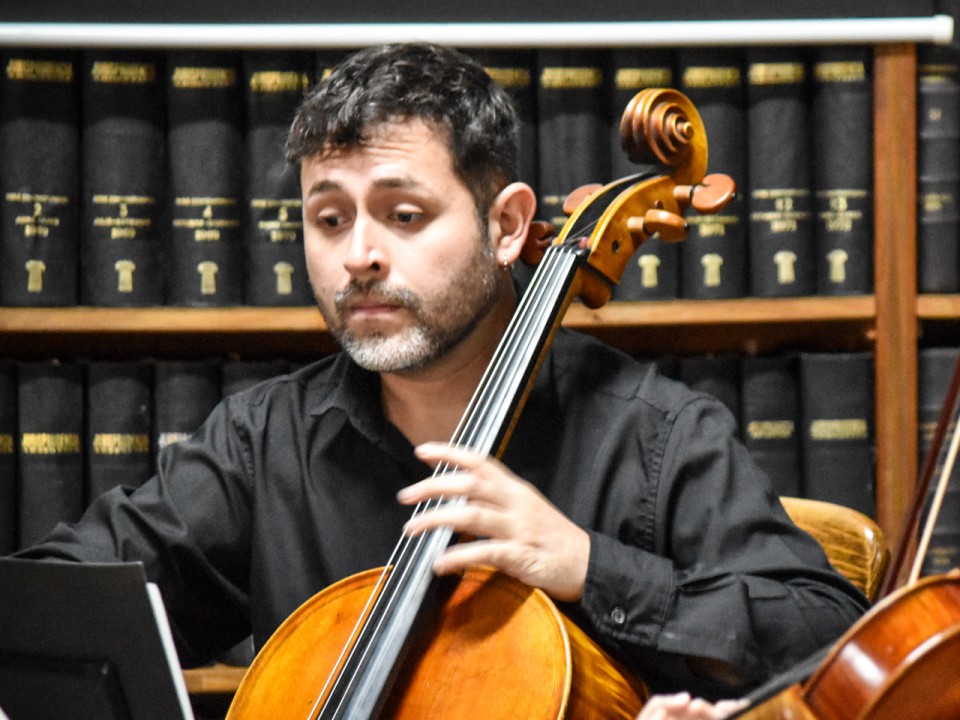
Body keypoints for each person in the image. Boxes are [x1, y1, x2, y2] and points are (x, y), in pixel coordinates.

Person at [14, 42, 868, 705]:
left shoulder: (657, 435)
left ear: (508, 226)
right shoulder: (262, 442)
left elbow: (831, 638)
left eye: (404, 213)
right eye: (328, 219)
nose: (359, 256)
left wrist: (585, 564)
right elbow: (53, 605)